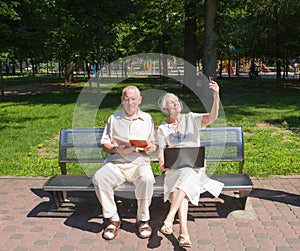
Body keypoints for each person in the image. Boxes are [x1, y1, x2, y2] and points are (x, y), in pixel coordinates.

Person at [157, 80, 224, 248]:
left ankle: (170, 218)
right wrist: (162, 163)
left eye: (176, 101)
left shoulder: (192, 118)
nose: (176, 104)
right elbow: (160, 152)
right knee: (184, 188)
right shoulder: (163, 128)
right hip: (174, 171)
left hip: (195, 168)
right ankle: (183, 233)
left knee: (187, 173)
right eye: (171, 104)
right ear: (166, 110)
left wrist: (216, 96)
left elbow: (213, 117)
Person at [92, 85, 158, 240]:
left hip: (139, 162)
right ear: (122, 100)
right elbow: (105, 144)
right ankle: (113, 219)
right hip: (117, 163)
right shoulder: (114, 118)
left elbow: (154, 144)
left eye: (133, 99)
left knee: (147, 179)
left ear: (139, 100)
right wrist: (118, 149)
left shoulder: (147, 118)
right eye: (127, 99)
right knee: (99, 178)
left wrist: (149, 148)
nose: (130, 102)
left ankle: (142, 219)